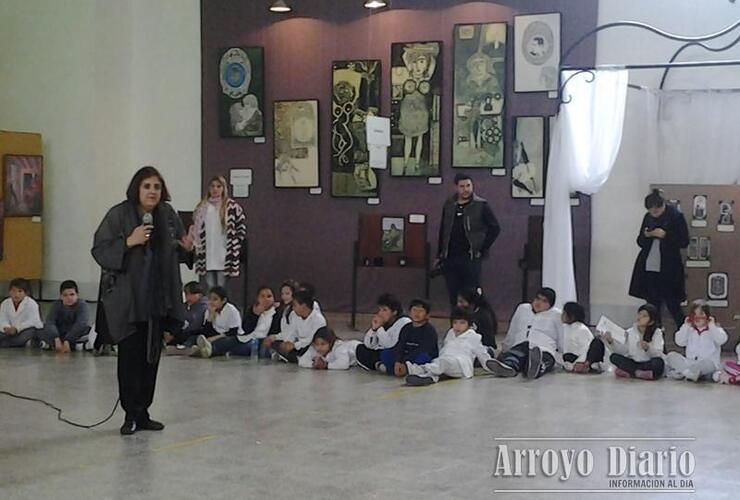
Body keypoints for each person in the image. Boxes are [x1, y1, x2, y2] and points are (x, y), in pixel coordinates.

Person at [92, 166, 193, 435]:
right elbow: (100, 249)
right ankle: (130, 415)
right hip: (130, 299)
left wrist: (188, 249)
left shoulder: (168, 215)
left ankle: (144, 411)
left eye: (157, 187)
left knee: (151, 357)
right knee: (130, 358)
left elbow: (180, 250)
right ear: (137, 188)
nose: (152, 191)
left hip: (159, 298)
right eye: (147, 186)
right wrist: (128, 242)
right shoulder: (119, 214)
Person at [437, 174, 501, 309]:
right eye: (462, 186)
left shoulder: (481, 204)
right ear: (456, 187)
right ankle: (456, 324)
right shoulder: (449, 204)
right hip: (451, 257)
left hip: (470, 257)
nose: (465, 189)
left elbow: (495, 228)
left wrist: (482, 248)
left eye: (468, 186)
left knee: (471, 294)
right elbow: (443, 230)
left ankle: (474, 324)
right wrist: (440, 254)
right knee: (453, 294)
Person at [629, 189, 689, 332]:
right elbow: (640, 241)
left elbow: (684, 241)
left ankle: (687, 338)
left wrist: (665, 235)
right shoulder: (647, 217)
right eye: (651, 211)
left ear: (662, 206)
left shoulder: (676, 216)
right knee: (652, 308)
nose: (654, 213)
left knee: (673, 305)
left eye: (656, 210)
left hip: (669, 270)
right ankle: (655, 343)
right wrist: (647, 235)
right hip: (650, 267)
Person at [486, 287, 561, 380]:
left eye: (544, 301)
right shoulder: (523, 308)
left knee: (545, 358)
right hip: (522, 344)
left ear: (550, 305)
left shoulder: (556, 315)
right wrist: (505, 348)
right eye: (537, 299)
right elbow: (513, 330)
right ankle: (508, 367)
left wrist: (565, 358)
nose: (539, 303)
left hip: (544, 348)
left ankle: (536, 367)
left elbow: (562, 337)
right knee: (516, 354)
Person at [405, 307, 491, 386]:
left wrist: (491, 366)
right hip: (446, 361)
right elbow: (444, 348)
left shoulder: (474, 336)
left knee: (444, 363)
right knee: (440, 364)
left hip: (461, 365)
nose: (458, 326)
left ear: (469, 324)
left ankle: (420, 369)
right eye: (455, 322)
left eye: (462, 323)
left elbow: (482, 354)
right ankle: (428, 378)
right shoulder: (451, 333)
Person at [193, 175, 247, 289]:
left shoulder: (231, 206)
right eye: (212, 186)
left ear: (223, 188)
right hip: (208, 251)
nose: (215, 189)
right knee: (210, 286)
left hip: (223, 252)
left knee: (222, 288)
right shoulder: (202, 207)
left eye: (218, 186)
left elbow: (241, 226)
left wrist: (236, 242)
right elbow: (196, 228)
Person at [666, 301, 727, 382]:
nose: (697, 317)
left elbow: (722, 340)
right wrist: (686, 326)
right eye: (694, 314)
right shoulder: (689, 330)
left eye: (701, 314)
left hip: (707, 365)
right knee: (671, 356)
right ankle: (690, 374)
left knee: (707, 364)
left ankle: (685, 373)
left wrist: (712, 326)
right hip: (690, 363)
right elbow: (679, 342)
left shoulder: (715, 330)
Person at [602, 304, 665, 381]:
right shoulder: (630, 332)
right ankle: (637, 373)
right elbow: (623, 351)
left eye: (644, 316)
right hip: (634, 362)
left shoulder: (657, 332)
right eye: (639, 314)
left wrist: (648, 348)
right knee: (614, 357)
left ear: (651, 321)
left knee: (659, 363)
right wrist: (611, 342)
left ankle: (631, 372)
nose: (639, 317)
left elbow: (658, 354)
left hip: (648, 363)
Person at [355, 293, 412, 372]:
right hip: (382, 350)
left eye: (384, 310)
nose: (380, 313)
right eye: (380, 310)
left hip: (398, 353)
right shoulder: (385, 321)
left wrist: (380, 328)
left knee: (387, 354)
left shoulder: (404, 322)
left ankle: (383, 366)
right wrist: (374, 329)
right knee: (360, 349)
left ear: (394, 312)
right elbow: (369, 345)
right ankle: (380, 365)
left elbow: (390, 344)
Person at [267, 288, 326, 363]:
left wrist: (295, 345)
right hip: (298, 345)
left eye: (295, 305)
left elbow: (311, 340)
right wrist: (288, 343)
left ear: (304, 306)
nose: (293, 308)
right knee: (277, 345)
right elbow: (292, 332)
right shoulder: (294, 315)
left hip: (311, 347)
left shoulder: (319, 319)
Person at [388, 299, 439, 378]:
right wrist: (398, 361)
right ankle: (399, 369)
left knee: (423, 358)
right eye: (414, 310)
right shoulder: (406, 328)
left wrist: (405, 363)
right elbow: (400, 345)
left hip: (417, 357)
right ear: (409, 312)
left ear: (427, 315)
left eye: (420, 311)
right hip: (406, 355)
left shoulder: (429, 331)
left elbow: (423, 349)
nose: (417, 313)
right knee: (386, 353)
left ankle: (404, 370)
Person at [38, 280, 91, 353]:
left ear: (77, 295)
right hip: (60, 334)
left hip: (76, 334)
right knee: (39, 330)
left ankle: (64, 345)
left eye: (72, 294)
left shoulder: (82, 305)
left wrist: (68, 340)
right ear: (61, 296)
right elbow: (50, 322)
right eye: (65, 295)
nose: (69, 298)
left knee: (90, 333)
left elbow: (81, 324)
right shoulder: (57, 305)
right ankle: (71, 346)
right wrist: (56, 338)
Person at [193, 286, 245, 358]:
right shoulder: (209, 310)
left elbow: (233, 332)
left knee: (225, 341)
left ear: (223, 300)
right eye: (210, 299)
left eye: (215, 299)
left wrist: (214, 338)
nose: (211, 302)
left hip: (232, 336)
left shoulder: (231, 310)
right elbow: (206, 332)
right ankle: (203, 349)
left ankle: (208, 350)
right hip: (216, 335)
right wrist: (210, 317)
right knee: (194, 337)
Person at [560, 302, 605, 374]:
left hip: (584, 358)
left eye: (564, 313)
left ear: (572, 316)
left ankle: (586, 366)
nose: (562, 315)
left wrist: (580, 362)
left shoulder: (582, 329)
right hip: (573, 357)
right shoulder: (565, 328)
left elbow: (586, 348)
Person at [0, 278, 44, 348]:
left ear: (26, 293)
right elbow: (2, 319)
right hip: (9, 331)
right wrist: (6, 328)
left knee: (29, 333)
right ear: (9, 292)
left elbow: (33, 321)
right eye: (13, 291)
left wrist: (17, 328)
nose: (16, 294)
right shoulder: (5, 303)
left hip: (25, 330)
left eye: (20, 291)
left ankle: (7, 343)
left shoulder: (31, 303)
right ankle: (19, 343)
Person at [164, 281, 207, 348]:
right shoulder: (185, 305)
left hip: (194, 331)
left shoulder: (203, 306)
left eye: (191, 294)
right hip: (182, 330)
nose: (188, 297)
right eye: (186, 294)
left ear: (200, 295)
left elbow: (196, 324)